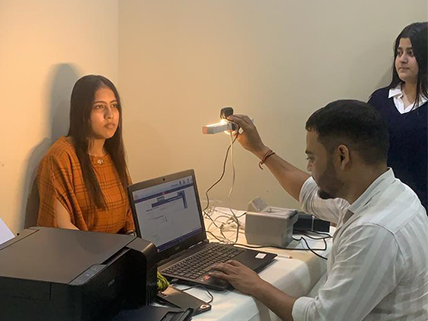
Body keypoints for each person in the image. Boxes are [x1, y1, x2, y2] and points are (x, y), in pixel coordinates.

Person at [209, 100, 428, 321]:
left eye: (312, 158)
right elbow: (309, 193)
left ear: (342, 156)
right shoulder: (392, 193)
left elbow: (321, 318)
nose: (309, 167)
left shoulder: (375, 231)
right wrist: (260, 150)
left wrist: (256, 285)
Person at [37, 75, 135, 234]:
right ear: (82, 112)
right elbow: (60, 227)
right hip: (82, 254)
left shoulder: (112, 152)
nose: (110, 114)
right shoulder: (61, 157)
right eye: (99, 107)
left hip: (120, 248)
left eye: (114, 105)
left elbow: (130, 210)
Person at [368, 22, 427, 211]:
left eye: (411, 53)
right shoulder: (379, 100)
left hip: (421, 206)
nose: (402, 60)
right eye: (399, 52)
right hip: (381, 203)